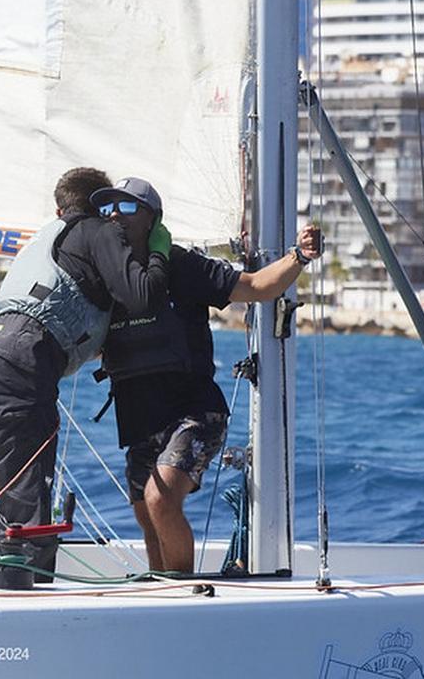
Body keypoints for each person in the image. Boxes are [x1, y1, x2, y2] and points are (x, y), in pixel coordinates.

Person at [91, 176, 323, 575]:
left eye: (127, 207)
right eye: (107, 207)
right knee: (147, 515)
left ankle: (181, 589)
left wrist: (298, 257)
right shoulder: (106, 275)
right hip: (139, 417)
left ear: (152, 219)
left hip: (194, 411)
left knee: (160, 499)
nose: (114, 215)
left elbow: (257, 286)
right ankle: (159, 586)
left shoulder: (181, 266)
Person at [0, 167, 173, 586]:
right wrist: (158, 250)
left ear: (58, 208)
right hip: (18, 366)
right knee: (28, 517)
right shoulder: (98, 231)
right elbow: (142, 296)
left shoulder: (48, 237)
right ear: (96, 209)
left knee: (14, 499)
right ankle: (20, 624)